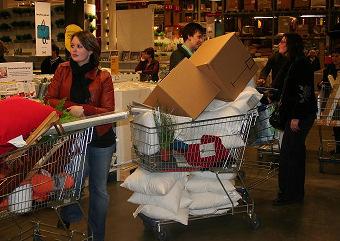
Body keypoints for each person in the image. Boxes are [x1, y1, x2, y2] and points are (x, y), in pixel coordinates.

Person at [45, 31, 115, 241]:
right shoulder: (62, 70)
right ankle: (68, 212)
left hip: (100, 138)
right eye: (72, 46)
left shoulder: (104, 76)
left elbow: (109, 111)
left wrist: (84, 109)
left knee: (99, 190)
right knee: (73, 179)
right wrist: (71, 109)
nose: (74, 50)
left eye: (79, 46)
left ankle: (97, 235)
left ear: (91, 50)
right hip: (73, 137)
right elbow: (50, 99)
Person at [273, 33, 317, 206]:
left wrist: (296, 116)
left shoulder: (301, 63)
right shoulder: (292, 62)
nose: (280, 44)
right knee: (295, 154)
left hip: (300, 116)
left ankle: (288, 194)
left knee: (289, 155)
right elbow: (285, 87)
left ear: (291, 44)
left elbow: (304, 91)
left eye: (283, 42)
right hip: (297, 114)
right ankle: (295, 193)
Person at [318, 48, 340, 153]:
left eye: (337, 56)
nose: (335, 58)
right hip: (333, 102)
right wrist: (321, 84)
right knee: (335, 125)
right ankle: (338, 148)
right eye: (333, 56)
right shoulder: (328, 69)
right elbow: (323, 84)